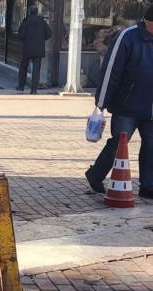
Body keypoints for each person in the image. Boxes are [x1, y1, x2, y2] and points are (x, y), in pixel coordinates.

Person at [85, 5, 153, 199]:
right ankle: (95, 174)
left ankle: (148, 185)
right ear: (149, 22)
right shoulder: (128, 37)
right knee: (118, 143)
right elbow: (110, 70)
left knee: (151, 145)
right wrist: (101, 101)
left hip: (151, 108)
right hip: (127, 106)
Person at [16, 6, 52, 94]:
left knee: (23, 67)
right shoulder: (42, 22)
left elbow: (21, 35)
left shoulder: (26, 21)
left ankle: (21, 86)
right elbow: (49, 33)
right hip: (38, 48)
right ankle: (34, 90)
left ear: (29, 12)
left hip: (27, 48)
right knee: (36, 69)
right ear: (37, 12)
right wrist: (42, 39)